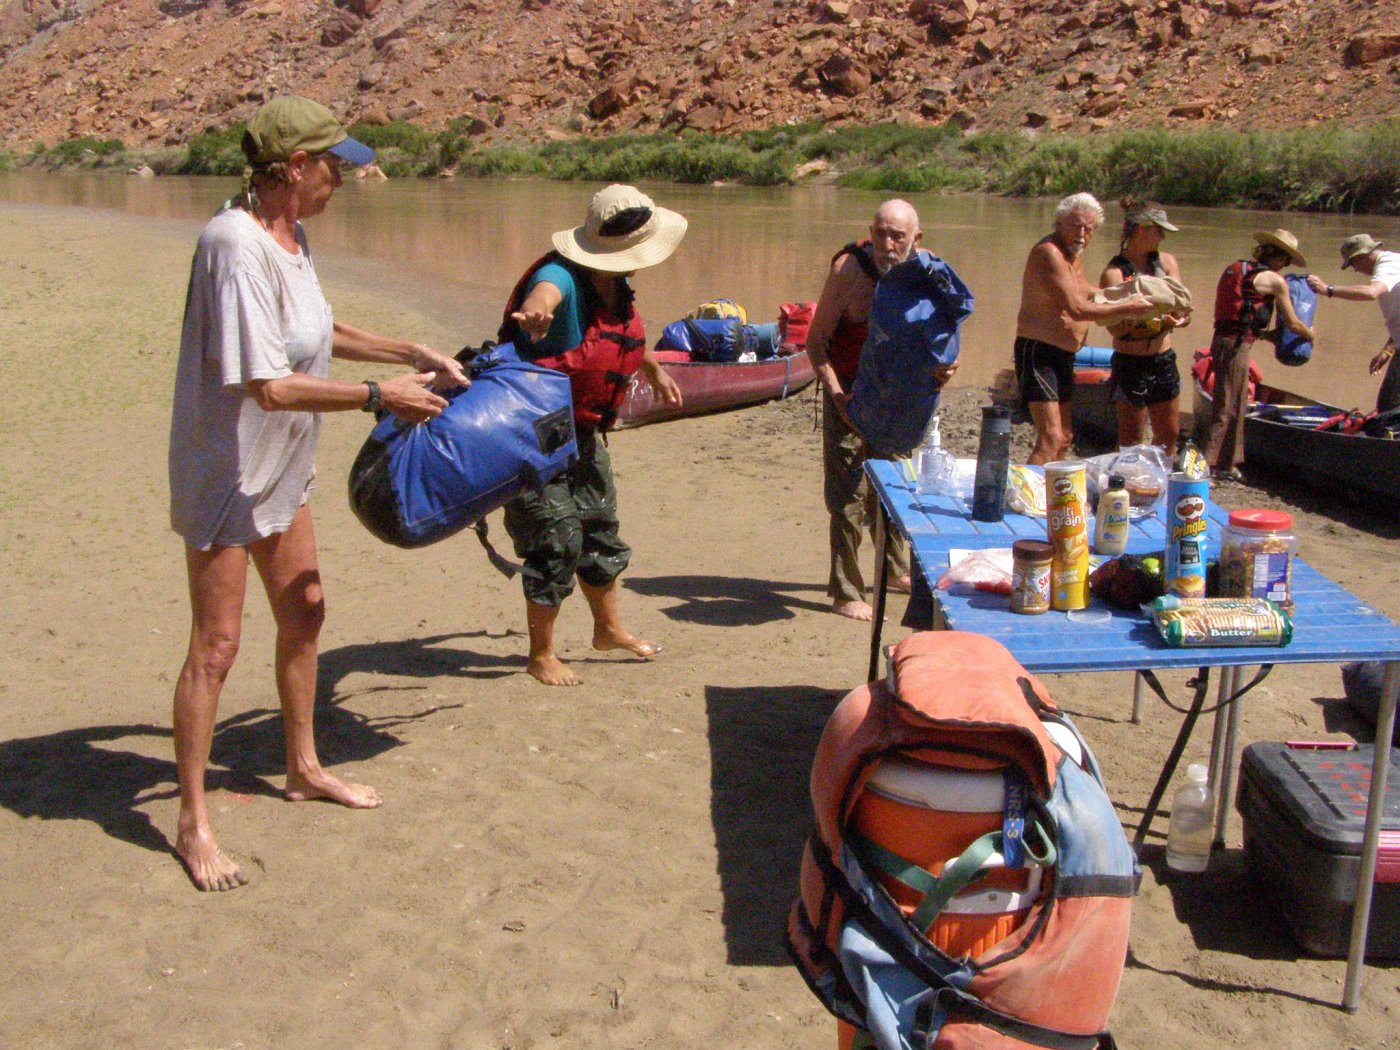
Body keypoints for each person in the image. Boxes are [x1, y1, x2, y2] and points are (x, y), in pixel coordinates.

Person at [167, 96, 469, 891]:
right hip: (227, 471)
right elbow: (268, 384)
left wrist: (410, 350)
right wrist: (379, 396)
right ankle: (193, 820)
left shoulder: (290, 234)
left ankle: (302, 767)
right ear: (295, 167)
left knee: (305, 612)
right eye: (335, 163)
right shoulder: (234, 246)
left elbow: (314, 333)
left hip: (280, 462)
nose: (345, 175)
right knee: (217, 646)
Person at [498, 184, 686, 687]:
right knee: (555, 537)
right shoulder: (561, 275)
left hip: (581, 432)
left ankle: (607, 629)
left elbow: (618, 337)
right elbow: (545, 292)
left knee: (599, 526)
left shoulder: (615, 283)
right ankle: (541, 654)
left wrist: (653, 368)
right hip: (531, 433)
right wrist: (537, 312)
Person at [806, 200, 955, 622]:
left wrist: (945, 367)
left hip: (898, 395)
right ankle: (846, 591)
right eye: (880, 234)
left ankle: (893, 569)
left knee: (894, 486)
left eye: (897, 237)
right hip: (850, 392)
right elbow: (816, 342)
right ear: (870, 232)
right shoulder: (849, 271)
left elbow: (941, 338)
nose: (887, 245)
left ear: (916, 239)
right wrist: (837, 395)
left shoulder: (927, 271)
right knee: (848, 495)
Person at [1014, 192, 1154, 464]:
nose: (1081, 234)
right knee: (1050, 438)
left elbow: (1085, 290)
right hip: (1039, 352)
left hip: (1064, 353)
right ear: (1059, 223)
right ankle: (1025, 488)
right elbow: (1076, 308)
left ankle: (1050, 486)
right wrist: (1127, 308)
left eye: (1088, 229)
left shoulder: (1072, 253)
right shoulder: (1050, 253)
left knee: (1065, 436)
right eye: (1076, 226)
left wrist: (1121, 294)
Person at [1204, 229, 1314, 479]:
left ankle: (1227, 463)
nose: (1284, 266)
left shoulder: (1239, 268)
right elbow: (1294, 324)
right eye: (1286, 261)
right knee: (1226, 406)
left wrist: (1266, 336)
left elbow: (1242, 314)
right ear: (1280, 257)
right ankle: (1207, 465)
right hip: (1235, 347)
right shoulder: (1275, 281)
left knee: (1237, 403)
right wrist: (1311, 335)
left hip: (1225, 341)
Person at [1098, 200, 1191, 450]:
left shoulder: (1167, 263)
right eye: (1158, 230)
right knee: (1132, 441)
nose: (1163, 237)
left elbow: (1184, 309)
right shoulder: (1115, 273)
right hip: (1131, 363)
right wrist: (1133, 318)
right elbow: (1113, 327)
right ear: (1141, 229)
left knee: (1169, 435)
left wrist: (1181, 319)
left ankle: (1162, 474)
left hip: (1164, 359)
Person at [1306, 235, 1400, 413]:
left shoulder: (1387, 265)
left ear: (1362, 256)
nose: (1355, 270)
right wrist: (1388, 350)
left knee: (1389, 407)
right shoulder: (1393, 263)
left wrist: (1328, 289)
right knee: (1389, 405)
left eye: (1353, 264)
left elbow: (1371, 292)